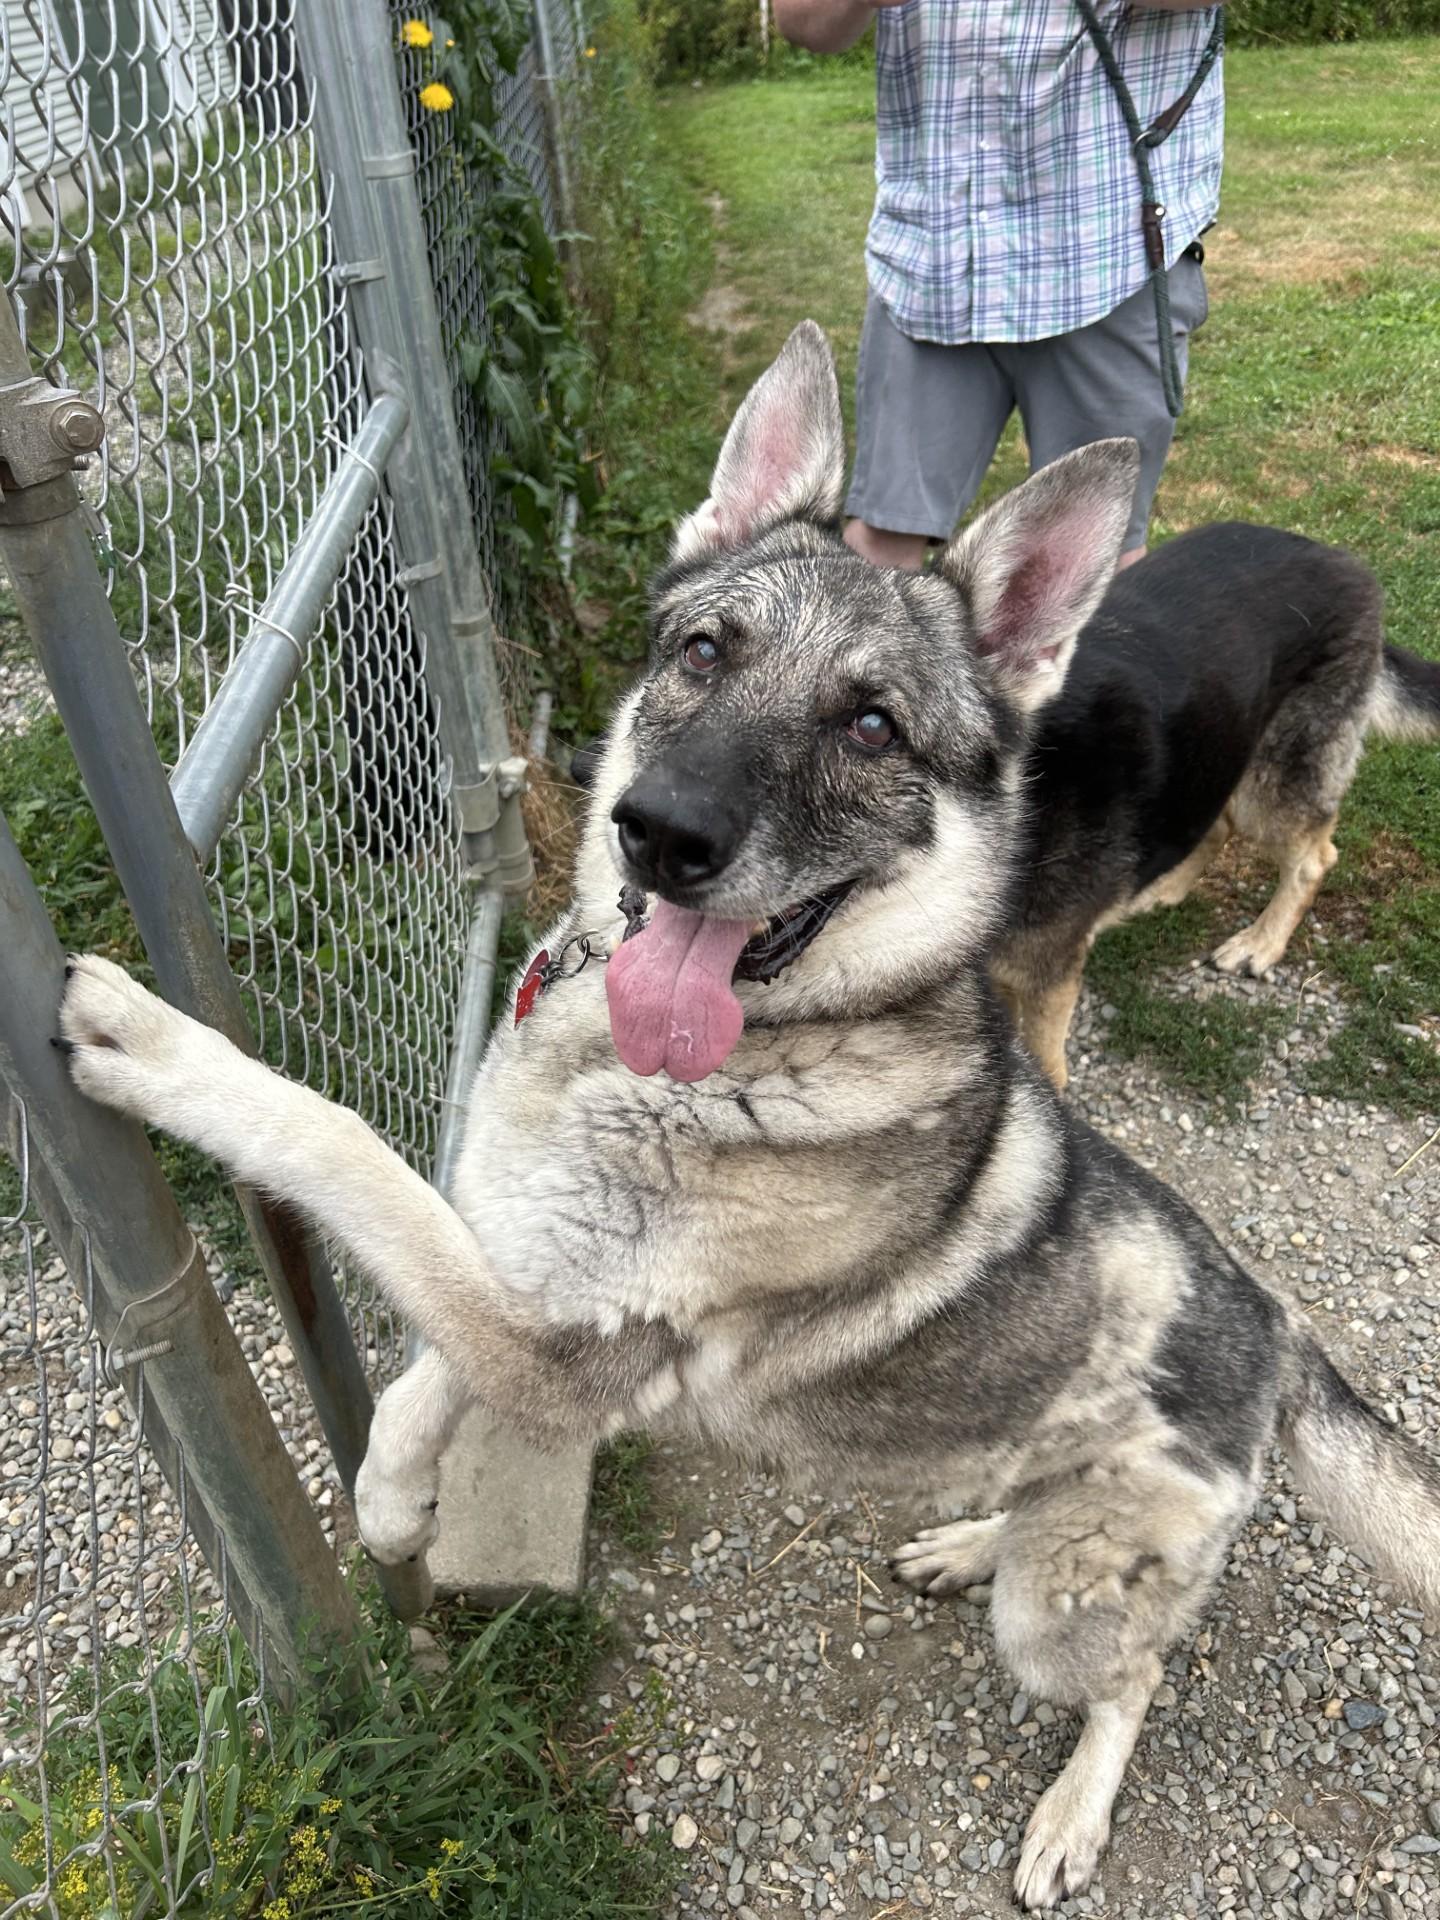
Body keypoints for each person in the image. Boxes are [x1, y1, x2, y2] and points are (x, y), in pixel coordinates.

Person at [772, 0, 1224, 570]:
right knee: (879, 545)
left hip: (1106, 258)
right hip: (932, 261)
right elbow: (801, 20)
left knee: (1092, 563)